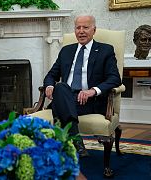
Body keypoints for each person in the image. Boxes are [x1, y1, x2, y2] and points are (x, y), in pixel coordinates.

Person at [43, 15, 121, 157]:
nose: (81, 31)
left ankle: (68, 142)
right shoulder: (66, 51)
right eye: (78, 27)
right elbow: (51, 75)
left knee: (60, 102)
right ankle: (77, 140)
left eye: (85, 27)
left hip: (90, 102)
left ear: (94, 30)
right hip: (67, 96)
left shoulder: (105, 50)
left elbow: (115, 78)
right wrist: (49, 86)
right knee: (60, 87)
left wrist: (93, 91)